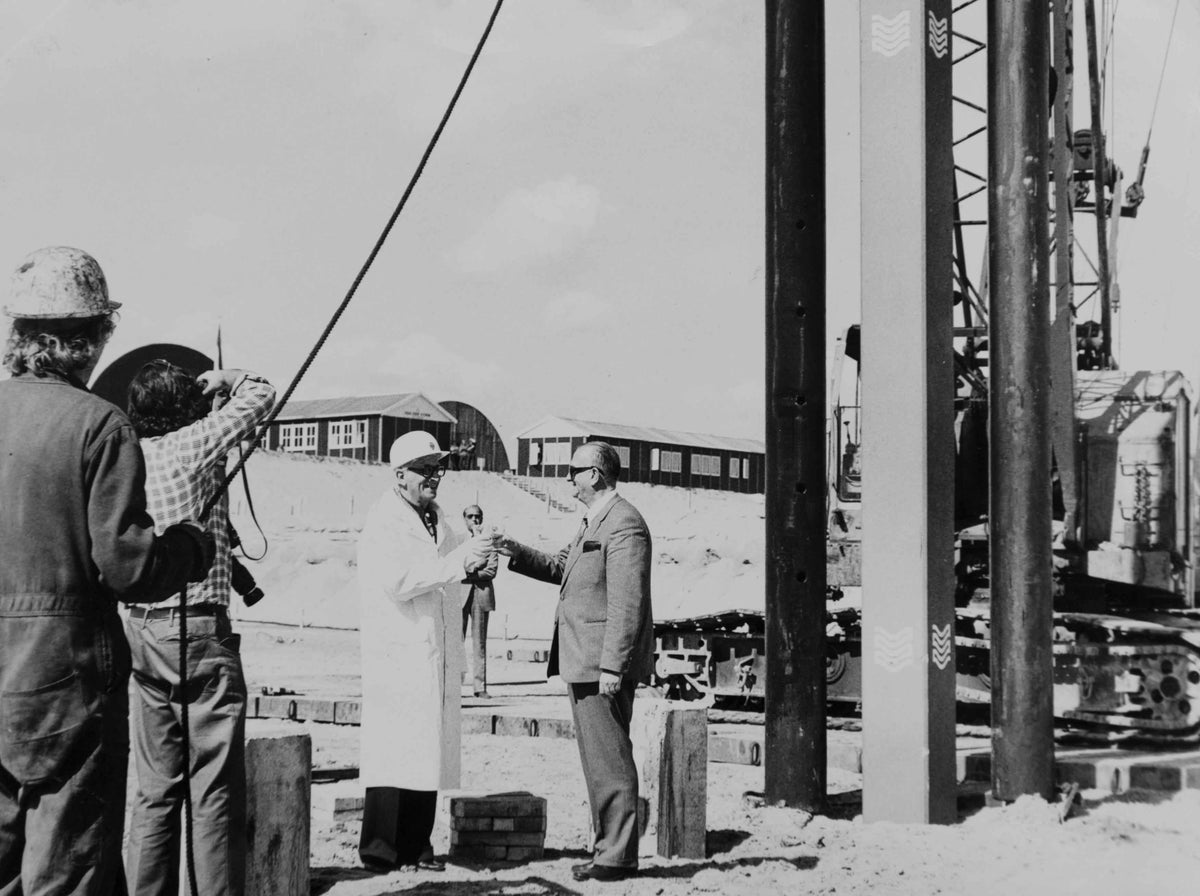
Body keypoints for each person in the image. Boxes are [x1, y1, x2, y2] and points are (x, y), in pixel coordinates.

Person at [0, 246, 214, 895]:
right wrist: (188, 547)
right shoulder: (99, 424)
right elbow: (128, 568)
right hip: (67, 684)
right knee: (68, 868)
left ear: (20, 333)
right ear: (91, 338)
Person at [123, 360, 276, 896]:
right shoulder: (193, 444)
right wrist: (229, 377)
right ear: (185, 408)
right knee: (213, 793)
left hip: (141, 631)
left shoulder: (129, 457)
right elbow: (261, 394)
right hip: (200, 630)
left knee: (153, 792)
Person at [498, 440, 653, 883]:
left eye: (574, 470)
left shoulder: (624, 523)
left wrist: (612, 666)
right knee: (598, 760)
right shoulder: (593, 521)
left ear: (597, 475)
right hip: (583, 658)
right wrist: (514, 550)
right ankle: (608, 850)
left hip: (600, 662)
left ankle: (617, 856)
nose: (567, 478)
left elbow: (628, 602)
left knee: (611, 759)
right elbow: (560, 567)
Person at [356, 431, 494, 873]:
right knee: (394, 750)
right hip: (398, 651)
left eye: (439, 468)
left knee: (426, 749)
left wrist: (478, 567)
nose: (435, 476)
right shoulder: (384, 522)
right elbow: (400, 581)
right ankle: (381, 850)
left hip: (432, 651)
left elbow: (454, 569)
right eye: (426, 468)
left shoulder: (439, 521)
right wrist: (460, 564)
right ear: (400, 476)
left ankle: (417, 845)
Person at [461, 504, 498, 698]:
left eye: (478, 517)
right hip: (460, 596)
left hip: (481, 596)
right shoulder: (459, 542)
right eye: (470, 516)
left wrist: (470, 571)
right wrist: (474, 568)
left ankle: (479, 686)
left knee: (480, 643)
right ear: (464, 519)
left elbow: (491, 571)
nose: (474, 520)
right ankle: (454, 684)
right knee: (456, 643)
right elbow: (455, 567)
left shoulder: (489, 543)